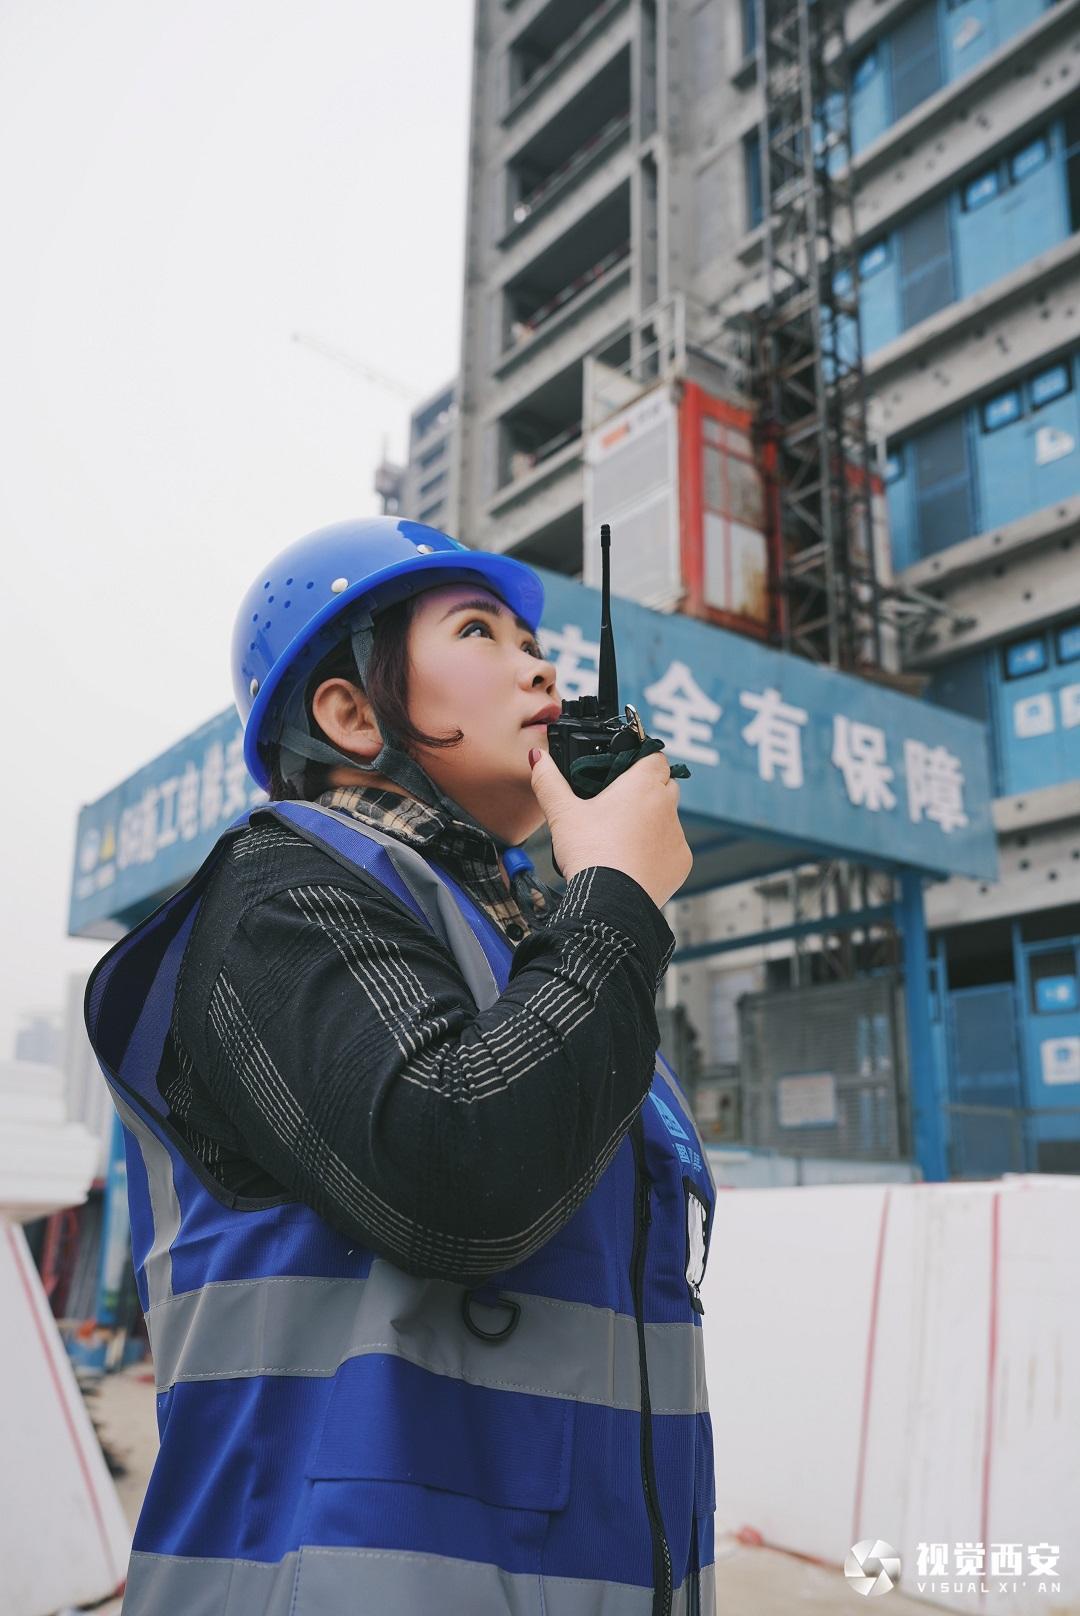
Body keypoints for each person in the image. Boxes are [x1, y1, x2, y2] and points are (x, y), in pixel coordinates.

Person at [85, 515, 717, 1615]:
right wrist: (615, 892)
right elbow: (457, 1169)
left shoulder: (536, 953)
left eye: (536, 637)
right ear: (347, 710)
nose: (541, 661)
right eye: (481, 629)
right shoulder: (282, 886)